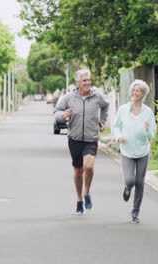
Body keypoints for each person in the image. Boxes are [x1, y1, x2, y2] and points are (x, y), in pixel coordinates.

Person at [54, 69, 109, 214]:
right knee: (78, 170)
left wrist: (102, 121)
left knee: (89, 166)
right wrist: (63, 115)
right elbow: (56, 112)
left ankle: (87, 193)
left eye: (89, 80)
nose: (87, 83)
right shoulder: (68, 97)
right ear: (78, 82)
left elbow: (105, 106)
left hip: (91, 138)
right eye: (84, 80)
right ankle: (79, 199)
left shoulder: (97, 96)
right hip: (75, 138)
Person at [112, 80, 157, 223]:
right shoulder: (123, 109)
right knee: (130, 180)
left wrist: (147, 130)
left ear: (143, 94)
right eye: (133, 90)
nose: (134, 92)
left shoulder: (148, 112)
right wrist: (119, 137)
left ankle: (135, 213)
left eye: (137, 90)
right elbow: (116, 126)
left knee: (140, 182)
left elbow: (152, 134)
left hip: (143, 151)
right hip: (127, 151)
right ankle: (127, 188)